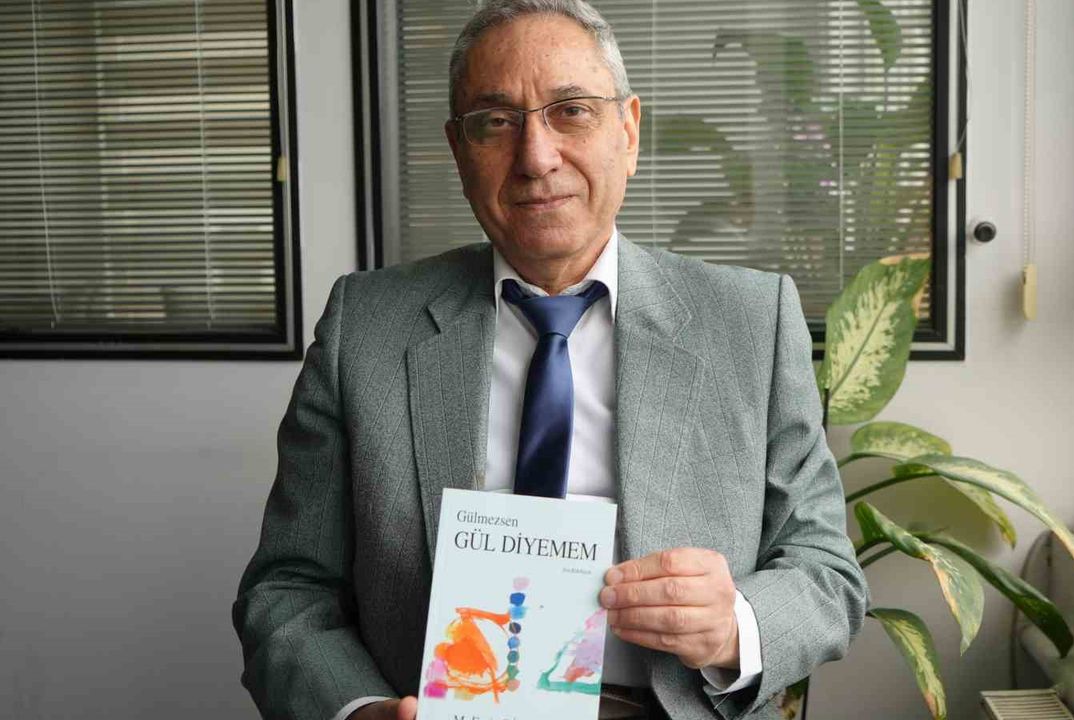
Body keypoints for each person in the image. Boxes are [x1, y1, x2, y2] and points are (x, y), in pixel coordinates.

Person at [232, 1, 867, 719]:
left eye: (571, 111)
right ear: (458, 149)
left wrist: (734, 626)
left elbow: (826, 572)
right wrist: (359, 709)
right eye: (496, 122)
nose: (536, 157)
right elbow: (288, 589)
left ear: (628, 132)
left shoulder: (749, 321)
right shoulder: (367, 327)